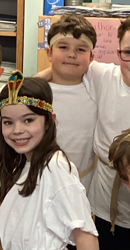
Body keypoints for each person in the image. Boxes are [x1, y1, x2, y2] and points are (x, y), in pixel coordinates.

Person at [36, 10, 130, 250]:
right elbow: (65, 68)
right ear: (119, 53)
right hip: (101, 212)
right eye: (129, 52)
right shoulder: (103, 76)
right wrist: (29, 87)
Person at [0, 71, 99, 250]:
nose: (17, 130)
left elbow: (86, 237)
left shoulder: (55, 167)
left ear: (48, 122)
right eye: (8, 122)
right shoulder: (21, 164)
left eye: (28, 120)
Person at [46, 14, 97, 194]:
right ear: (49, 53)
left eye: (81, 50)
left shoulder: (96, 92)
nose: (71, 54)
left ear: (92, 57)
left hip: (82, 186)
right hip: (40, 183)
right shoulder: (37, 93)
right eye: (63, 47)